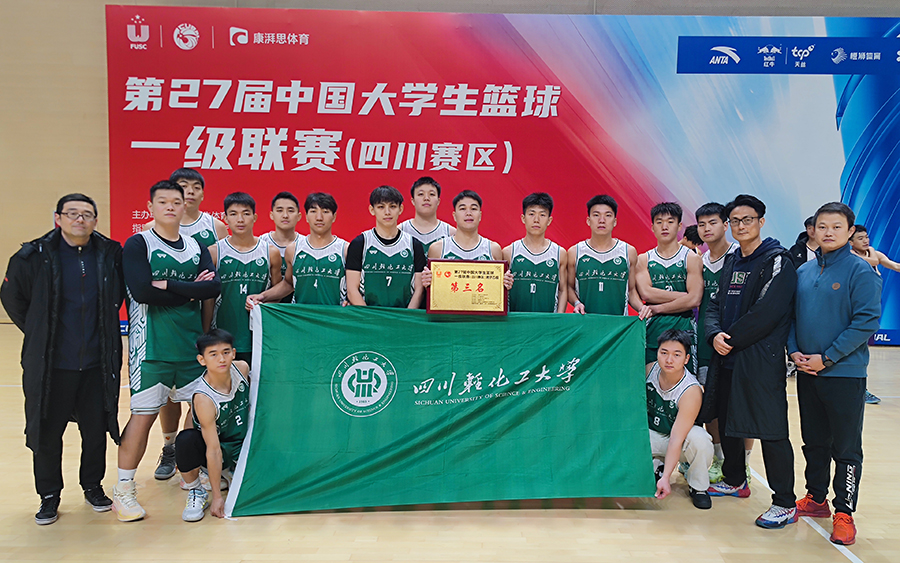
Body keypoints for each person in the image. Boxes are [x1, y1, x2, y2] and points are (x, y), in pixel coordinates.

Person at [1, 194, 125, 525]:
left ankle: (92, 486)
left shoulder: (109, 254)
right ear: (58, 218)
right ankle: (49, 495)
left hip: (97, 363)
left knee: (96, 430)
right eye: (72, 213)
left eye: (87, 214)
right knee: (46, 431)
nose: (79, 219)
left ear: (95, 220)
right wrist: (39, 330)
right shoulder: (33, 255)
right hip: (52, 366)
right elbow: (12, 297)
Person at [114, 180, 221, 522]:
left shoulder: (195, 246)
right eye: (163, 202)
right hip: (151, 349)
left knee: (198, 414)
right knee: (142, 417)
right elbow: (142, 292)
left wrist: (171, 286)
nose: (171, 207)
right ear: (151, 207)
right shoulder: (138, 243)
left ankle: (192, 481)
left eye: (176, 201)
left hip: (190, 347)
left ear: (185, 205)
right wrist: (190, 291)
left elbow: (212, 287)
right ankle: (124, 489)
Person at [701, 194, 798, 530]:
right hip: (727, 356)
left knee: (771, 430)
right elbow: (713, 304)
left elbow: (767, 312)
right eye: (735, 221)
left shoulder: (777, 260)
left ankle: (784, 502)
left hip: (759, 361)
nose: (741, 226)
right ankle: (735, 480)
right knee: (728, 419)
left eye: (748, 220)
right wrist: (714, 334)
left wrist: (729, 340)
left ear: (761, 221)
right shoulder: (732, 261)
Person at [789, 203, 881, 546]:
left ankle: (844, 511)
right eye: (822, 226)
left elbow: (866, 321)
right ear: (813, 230)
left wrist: (827, 358)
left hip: (844, 374)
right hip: (807, 371)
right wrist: (794, 351)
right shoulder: (804, 271)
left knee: (846, 447)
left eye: (836, 227)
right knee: (814, 440)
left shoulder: (861, 271)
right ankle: (816, 498)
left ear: (850, 231)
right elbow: (792, 317)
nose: (828, 232)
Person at [144, 168, 227, 482]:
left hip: (207, 314)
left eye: (195, 187)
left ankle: (189, 453)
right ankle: (169, 448)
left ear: (203, 194)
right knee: (168, 393)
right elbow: (148, 284)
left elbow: (212, 281)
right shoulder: (151, 231)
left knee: (201, 391)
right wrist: (190, 287)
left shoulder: (215, 227)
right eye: (183, 186)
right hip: (167, 322)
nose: (189, 192)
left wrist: (198, 297)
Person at [176, 329, 250, 522]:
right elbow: (213, 449)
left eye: (226, 352)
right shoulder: (204, 398)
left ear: (234, 353)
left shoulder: (242, 369)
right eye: (213, 354)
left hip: (240, 444)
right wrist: (217, 497)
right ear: (202, 360)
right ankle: (196, 490)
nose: (221, 359)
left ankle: (231, 471)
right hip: (216, 447)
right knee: (185, 440)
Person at [694, 203, 742, 485]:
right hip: (705, 341)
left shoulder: (740, 257)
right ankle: (720, 459)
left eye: (712, 222)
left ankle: (743, 465)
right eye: (702, 224)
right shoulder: (699, 261)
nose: (707, 229)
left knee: (736, 405)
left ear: (726, 225)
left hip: (735, 342)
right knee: (710, 399)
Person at [205, 192, 281, 362]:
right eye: (233, 214)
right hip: (222, 335)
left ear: (255, 217)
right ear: (225, 218)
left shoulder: (270, 252)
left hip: (260, 337)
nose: (240, 219)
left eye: (246, 214)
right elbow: (208, 299)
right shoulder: (214, 252)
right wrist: (205, 332)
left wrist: (263, 302)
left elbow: (278, 294)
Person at [647, 330, 713, 510]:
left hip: (678, 440)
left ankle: (698, 486)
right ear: (657, 353)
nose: (669, 360)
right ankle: (657, 465)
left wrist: (667, 478)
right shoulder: (649, 370)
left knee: (701, 441)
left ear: (686, 359)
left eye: (677, 355)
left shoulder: (691, 391)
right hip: (652, 434)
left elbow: (676, 438)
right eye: (664, 353)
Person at [635, 202, 703, 369]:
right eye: (659, 222)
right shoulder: (644, 259)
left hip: (684, 326)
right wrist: (685, 297)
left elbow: (694, 300)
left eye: (670, 221)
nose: (664, 226)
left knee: (684, 379)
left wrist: (658, 308)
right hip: (653, 328)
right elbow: (646, 294)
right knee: (650, 378)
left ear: (679, 226)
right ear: (652, 227)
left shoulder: (692, 258)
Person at [249, 193, 348, 307]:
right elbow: (288, 283)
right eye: (313, 211)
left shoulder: (345, 249)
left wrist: (350, 301)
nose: (319, 217)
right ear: (306, 216)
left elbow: (355, 288)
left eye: (325, 212)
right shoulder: (293, 249)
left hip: (333, 315)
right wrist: (262, 296)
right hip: (299, 315)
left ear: (334, 217)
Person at [567, 195, 648, 317]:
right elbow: (569, 287)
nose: (602, 220)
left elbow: (631, 291)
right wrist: (576, 302)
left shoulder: (628, 252)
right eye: (596, 215)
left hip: (618, 324)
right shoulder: (575, 252)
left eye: (608, 215)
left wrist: (641, 308)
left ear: (615, 222)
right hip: (585, 322)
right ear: (588, 220)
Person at [346, 185, 426, 308]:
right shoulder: (360, 244)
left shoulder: (414, 245)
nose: (387, 212)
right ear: (372, 210)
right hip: (368, 315)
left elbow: (419, 290)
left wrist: (407, 315)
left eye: (392, 206)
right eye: (381, 207)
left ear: (400, 209)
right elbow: (352, 290)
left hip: (404, 316)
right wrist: (369, 316)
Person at [420, 190, 514, 292]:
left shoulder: (493, 249)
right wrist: (426, 282)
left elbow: (497, 290)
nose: (468, 213)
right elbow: (431, 291)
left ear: (480, 215)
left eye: (473, 209)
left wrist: (505, 283)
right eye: (462, 208)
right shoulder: (438, 248)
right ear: (454, 216)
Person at [502, 193, 567, 313]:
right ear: (523, 218)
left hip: (548, 321)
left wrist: (559, 318)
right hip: (516, 320)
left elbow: (562, 290)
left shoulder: (559, 253)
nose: (536, 220)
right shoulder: (509, 252)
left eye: (542, 215)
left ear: (549, 220)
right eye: (531, 214)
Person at [260, 191, 302, 303]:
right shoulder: (261, 243)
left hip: (297, 307)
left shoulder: (306, 245)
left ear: (299, 216)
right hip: (266, 306)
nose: (285, 215)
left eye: (291, 211)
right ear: (271, 215)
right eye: (279, 210)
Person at [400, 176, 455, 254]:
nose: (426, 198)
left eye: (431, 194)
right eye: (421, 194)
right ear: (413, 201)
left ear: (438, 201)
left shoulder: (451, 233)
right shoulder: (401, 230)